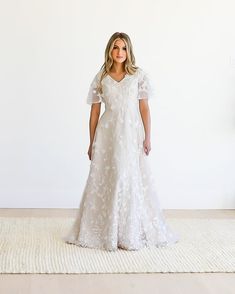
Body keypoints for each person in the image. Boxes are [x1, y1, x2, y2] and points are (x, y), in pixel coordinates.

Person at [63, 32, 179, 251]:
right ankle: (109, 231)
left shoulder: (138, 76)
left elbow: (144, 108)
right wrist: (91, 142)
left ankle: (130, 231)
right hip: (108, 134)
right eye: (116, 48)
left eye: (123, 48)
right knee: (112, 177)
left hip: (131, 133)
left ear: (129, 51)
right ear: (110, 50)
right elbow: (94, 113)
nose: (119, 52)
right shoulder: (101, 77)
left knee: (127, 177)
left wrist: (148, 136)